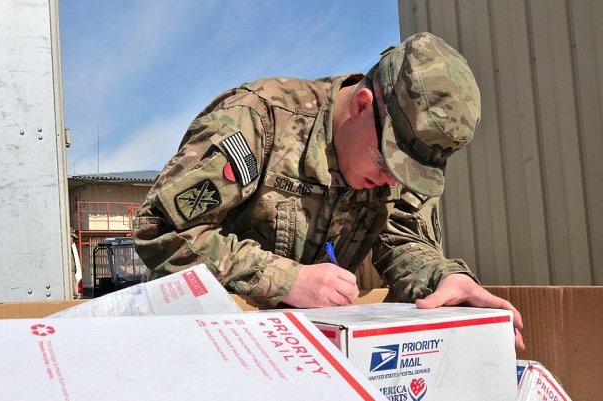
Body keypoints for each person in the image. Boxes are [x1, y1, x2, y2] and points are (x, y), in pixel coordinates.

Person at [133, 32, 524, 350]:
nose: (393, 181)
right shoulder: (257, 120)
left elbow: (403, 239)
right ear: (361, 105)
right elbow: (161, 230)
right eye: (387, 162)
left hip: (310, 356)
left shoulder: (404, 152)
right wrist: (286, 279)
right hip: (211, 346)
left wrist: (442, 278)